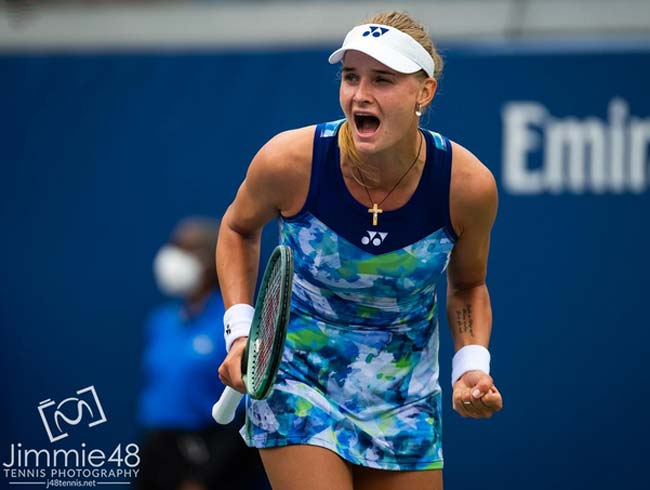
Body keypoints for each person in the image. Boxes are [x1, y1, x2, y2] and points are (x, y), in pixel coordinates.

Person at [217, 11, 503, 490]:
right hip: (296, 378)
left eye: (383, 79)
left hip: (404, 395)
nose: (360, 94)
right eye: (351, 77)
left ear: (424, 92)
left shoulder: (467, 186)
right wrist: (243, 332)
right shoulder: (291, 160)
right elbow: (237, 229)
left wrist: (472, 366)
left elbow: (469, 285)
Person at [137, 217, 268, 490]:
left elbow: (245, 411)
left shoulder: (235, 326)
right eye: (174, 245)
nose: (174, 256)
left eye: (187, 248)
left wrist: (203, 479)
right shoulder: (160, 322)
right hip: (155, 452)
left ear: (210, 260)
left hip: (209, 458)